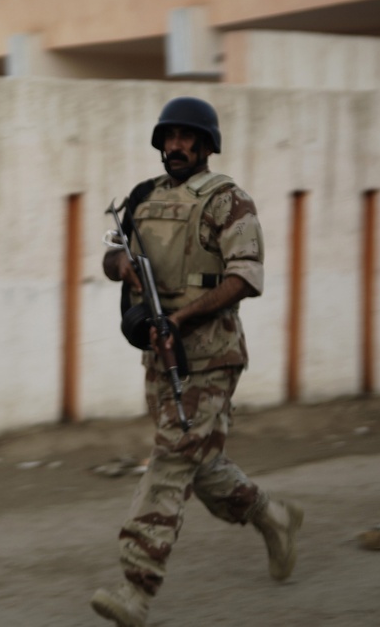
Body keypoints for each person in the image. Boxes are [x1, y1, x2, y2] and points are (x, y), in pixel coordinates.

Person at [91, 97, 304, 627]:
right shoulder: (144, 197)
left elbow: (245, 278)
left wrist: (183, 318)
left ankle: (136, 588)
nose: (176, 145)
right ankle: (271, 516)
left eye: (188, 136)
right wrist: (124, 267)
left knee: (170, 463)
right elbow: (112, 254)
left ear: (207, 144)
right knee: (198, 460)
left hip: (211, 358)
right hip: (161, 357)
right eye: (169, 136)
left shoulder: (228, 201)